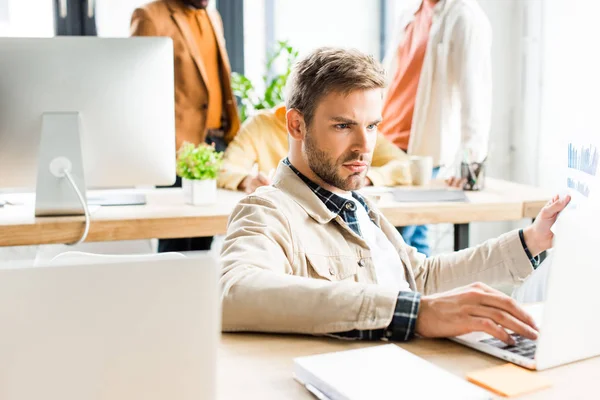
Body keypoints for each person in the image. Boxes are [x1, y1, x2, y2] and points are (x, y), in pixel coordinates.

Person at [220, 47, 569, 344]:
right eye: (343, 126)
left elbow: (422, 278)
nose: (364, 146)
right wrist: (412, 313)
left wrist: (532, 240)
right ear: (296, 125)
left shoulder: (357, 204)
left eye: (372, 126)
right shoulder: (267, 210)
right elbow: (234, 292)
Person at [379, 0, 492, 256]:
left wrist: (470, 163)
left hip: (421, 154)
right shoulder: (409, 13)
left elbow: (475, 95)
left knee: (392, 251)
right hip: (386, 146)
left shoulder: (464, 16)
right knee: (413, 247)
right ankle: (423, 297)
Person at [131, 0, 240, 252]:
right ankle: (167, 292)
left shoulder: (212, 16)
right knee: (175, 238)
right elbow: (136, 88)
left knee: (204, 237)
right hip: (176, 149)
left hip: (215, 145)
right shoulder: (150, 16)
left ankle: (195, 292)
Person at [218, 104, 411, 193]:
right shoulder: (260, 125)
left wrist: (366, 177)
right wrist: (247, 181)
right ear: (295, 123)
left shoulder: (353, 121)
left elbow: (405, 165)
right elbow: (225, 169)